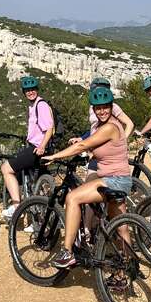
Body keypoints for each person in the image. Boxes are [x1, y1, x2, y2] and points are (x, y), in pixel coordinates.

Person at [42, 86, 132, 269]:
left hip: (112, 180)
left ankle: (67, 252)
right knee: (120, 227)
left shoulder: (109, 127)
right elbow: (96, 146)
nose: (102, 111)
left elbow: (82, 146)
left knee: (72, 197)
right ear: (93, 109)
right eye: (98, 108)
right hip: (122, 180)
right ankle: (127, 269)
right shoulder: (107, 126)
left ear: (111, 106)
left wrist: (55, 156)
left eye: (105, 107)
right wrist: (90, 151)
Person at [1, 76, 54, 220]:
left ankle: (17, 206)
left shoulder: (40, 105)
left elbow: (49, 128)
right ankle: (38, 221)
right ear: (24, 93)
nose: (30, 92)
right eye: (27, 90)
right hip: (36, 145)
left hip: (37, 148)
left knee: (6, 168)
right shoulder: (33, 105)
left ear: (37, 90)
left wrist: (42, 146)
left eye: (32, 89)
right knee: (36, 183)